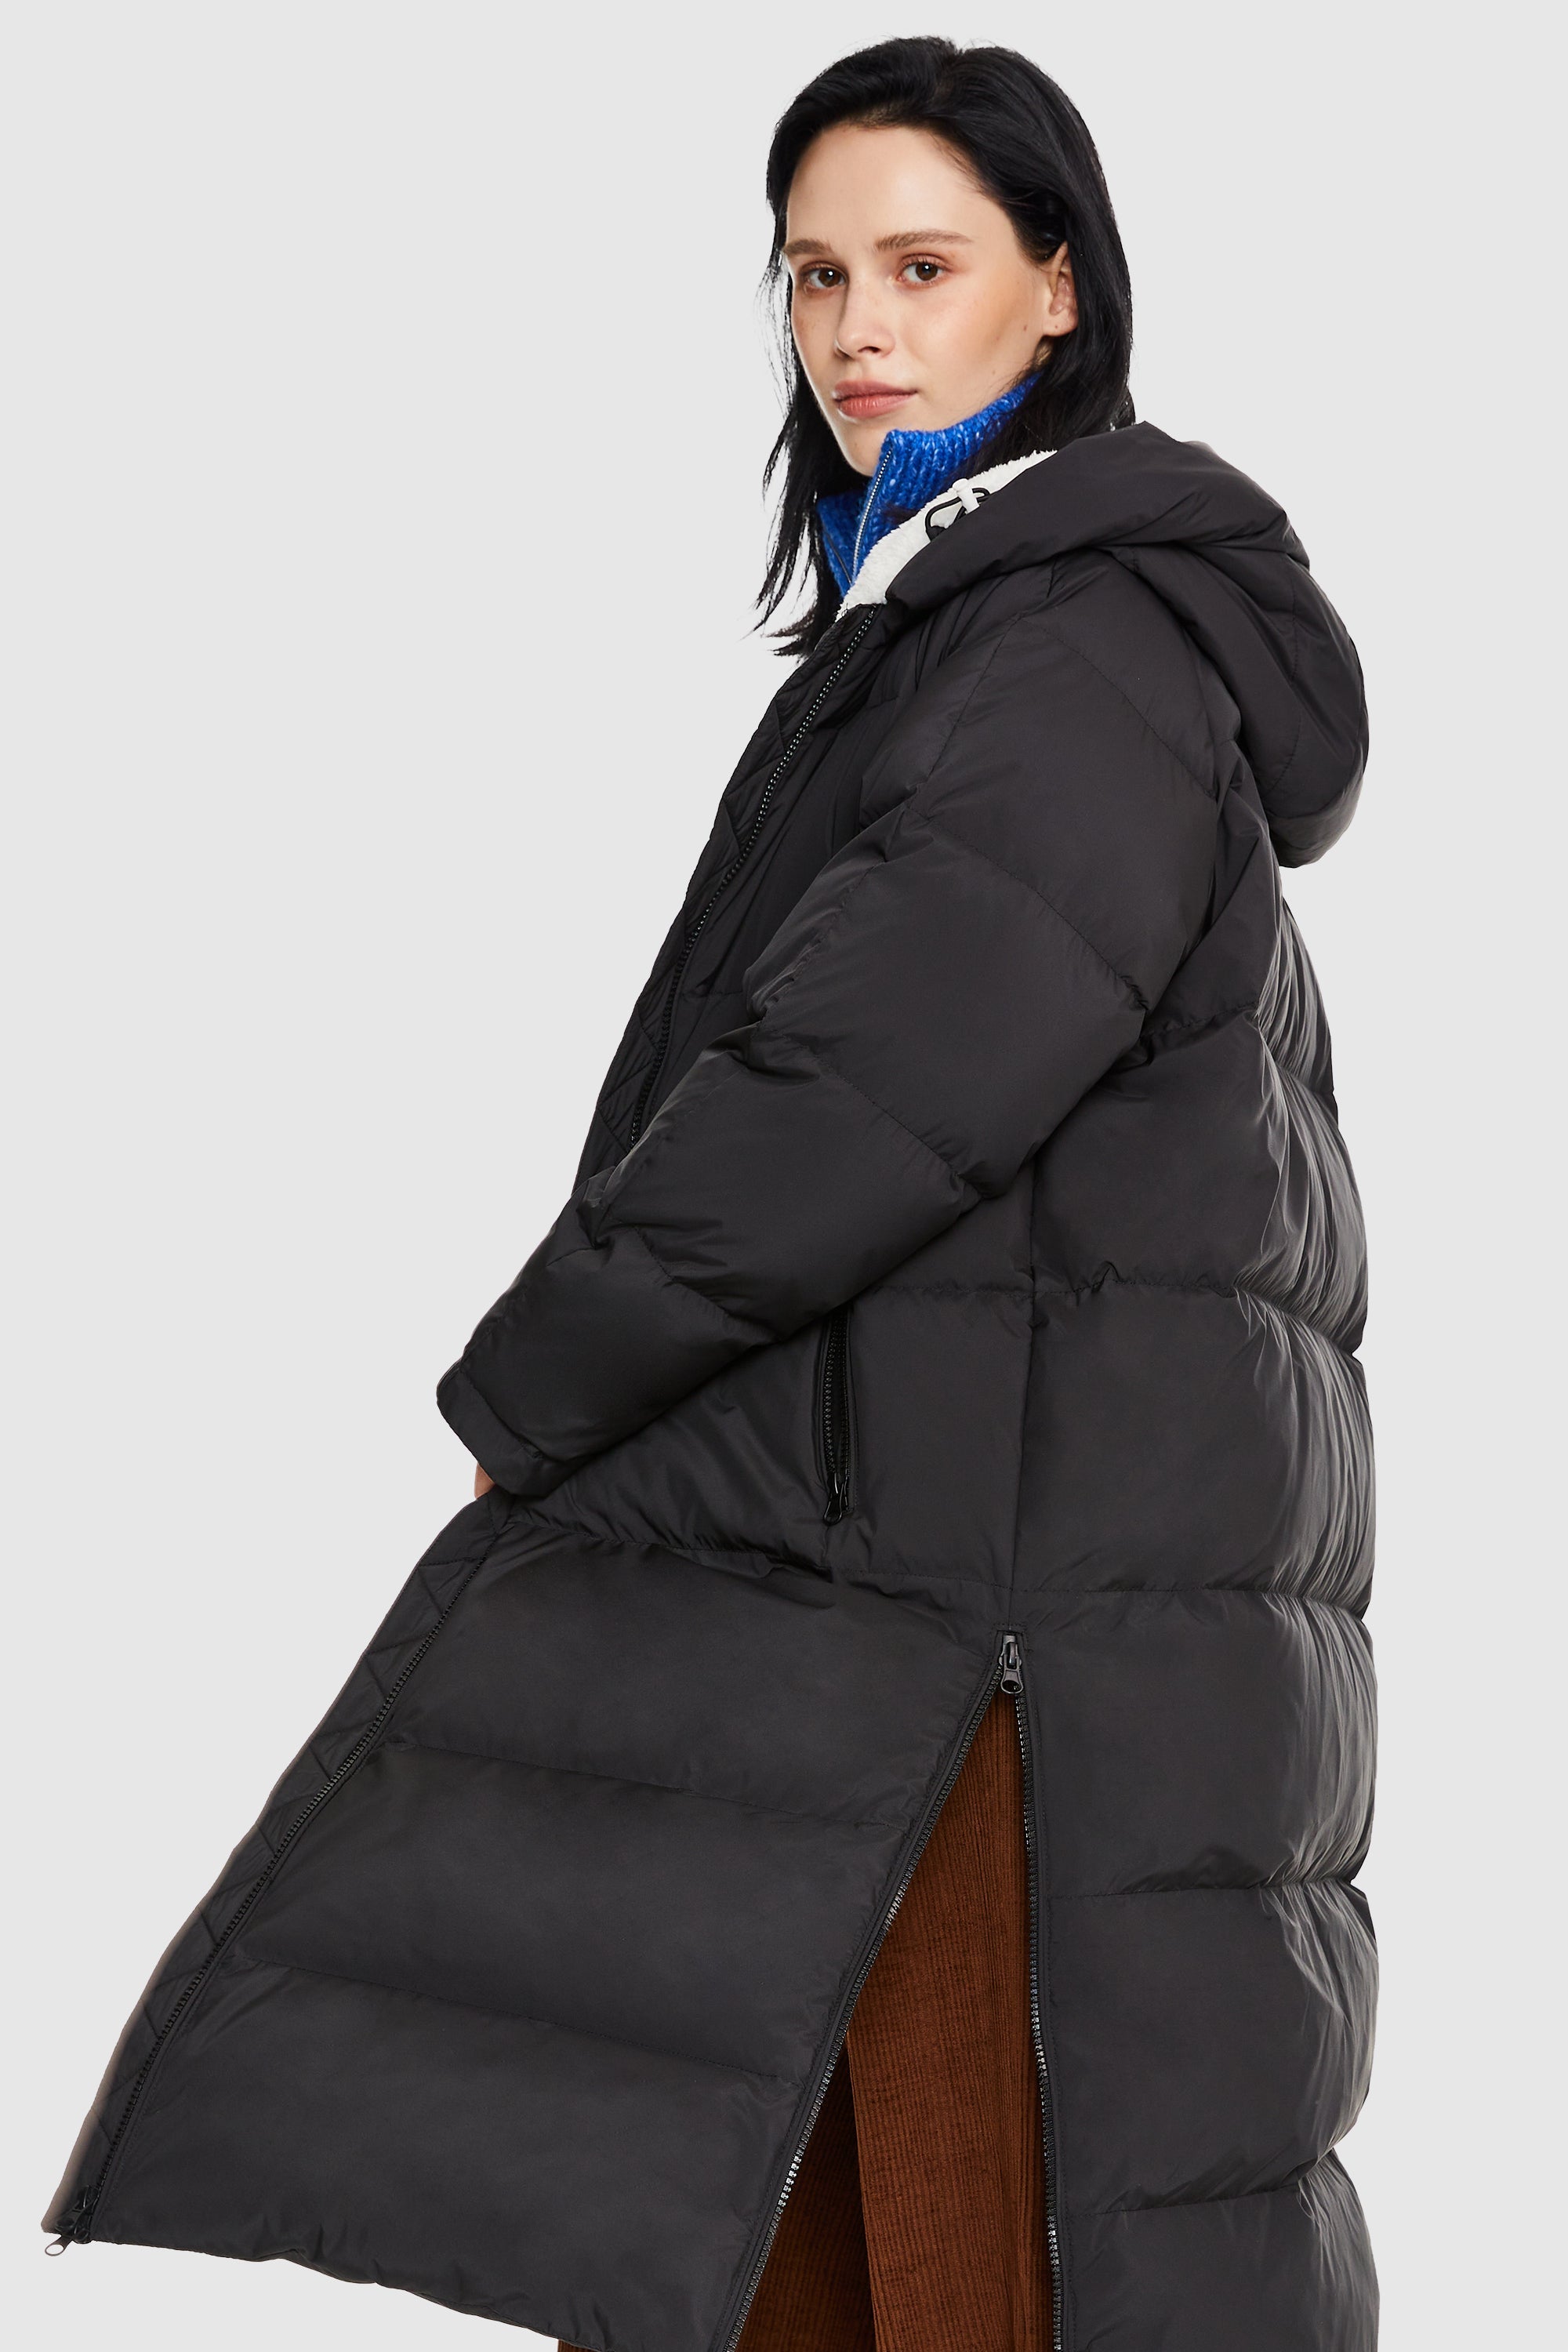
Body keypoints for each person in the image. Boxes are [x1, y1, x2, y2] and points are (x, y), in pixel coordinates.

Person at [47, 36, 1377, 2352]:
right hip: (921, 1596)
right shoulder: (956, 626)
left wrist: (537, 1388)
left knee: (975, 2272)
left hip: (986, 1647)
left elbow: (853, 1097)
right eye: (815, 277)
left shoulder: (1070, 648)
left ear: (1059, 287)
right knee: (794, 2265)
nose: (860, 331)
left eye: (923, 268)